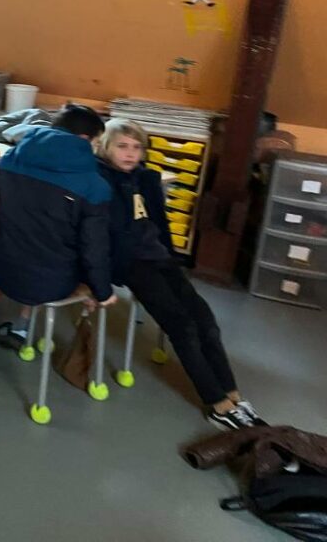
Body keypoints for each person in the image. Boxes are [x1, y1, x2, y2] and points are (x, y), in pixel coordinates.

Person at [98, 118, 266, 430]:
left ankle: (233, 395)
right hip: (131, 263)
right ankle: (217, 403)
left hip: (159, 258)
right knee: (183, 326)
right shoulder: (100, 180)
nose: (130, 153)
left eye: (136, 147)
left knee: (206, 321)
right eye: (122, 146)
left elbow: (159, 223)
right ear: (105, 147)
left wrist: (170, 254)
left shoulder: (145, 179)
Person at [0, 104, 116, 358]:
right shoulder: (95, 186)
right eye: (96, 143)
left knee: (21, 250)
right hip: (54, 284)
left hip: (2, 269)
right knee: (51, 255)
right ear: (84, 139)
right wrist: (103, 292)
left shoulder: (15, 157)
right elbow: (95, 249)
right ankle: (21, 329)